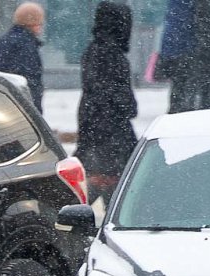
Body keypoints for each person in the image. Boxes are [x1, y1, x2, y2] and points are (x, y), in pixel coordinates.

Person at [74, 1, 138, 204]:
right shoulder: (112, 55)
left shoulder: (93, 51)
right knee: (116, 196)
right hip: (111, 136)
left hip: (95, 131)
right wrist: (128, 105)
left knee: (94, 188)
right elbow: (118, 99)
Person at [0, 2, 45, 113]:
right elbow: (29, 79)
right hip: (21, 105)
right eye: (40, 23)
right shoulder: (26, 45)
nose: (41, 26)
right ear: (33, 23)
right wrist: (35, 111)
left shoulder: (5, 41)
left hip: (4, 100)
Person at [158, 0, 199, 113]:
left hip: (174, 48)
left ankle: (175, 108)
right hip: (185, 48)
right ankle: (183, 109)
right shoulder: (186, 6)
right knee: (186, 82)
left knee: (178, 83)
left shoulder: (174, 6)